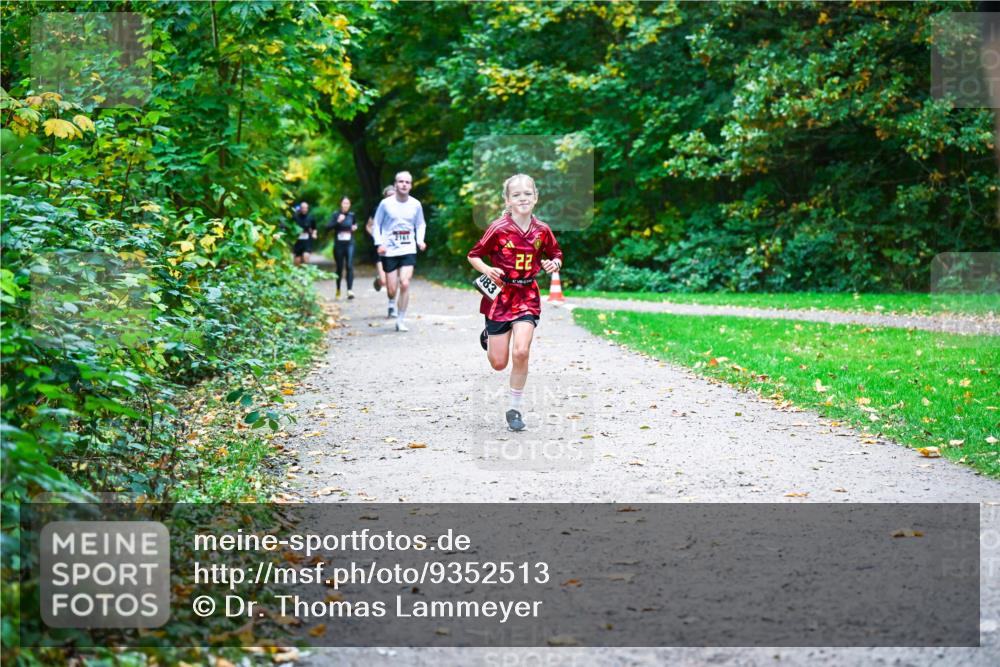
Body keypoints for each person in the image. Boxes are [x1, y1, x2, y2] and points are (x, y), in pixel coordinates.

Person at [466, 174, 563, 432]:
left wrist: (554, 263)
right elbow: (473, 255)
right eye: (517, 195)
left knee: (521, 351)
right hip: (500, 297)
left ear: (536, 197)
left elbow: (556, 253)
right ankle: (489, 334)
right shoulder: (498, 228)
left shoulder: (542, 230)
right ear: (508, 200)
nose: (523, 198)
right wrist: (487, 269)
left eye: (527, 194)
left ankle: (515, 409)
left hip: (527, 296)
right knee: (498, 363)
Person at [372, 172, 427, 331]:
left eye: (407, 182)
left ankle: (400, 319)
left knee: (405, 282)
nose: (404, 184)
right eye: (401, 182)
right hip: (389, 250)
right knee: (391, 289)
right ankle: (390, 300)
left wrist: (419, 240)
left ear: (410, 185)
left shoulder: (415, 204)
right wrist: (379, 243)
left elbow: (421, 224)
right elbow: (377, 224)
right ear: (395, 184)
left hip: (408, 248)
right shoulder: (385, 204)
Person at [366, 185, 395, 296]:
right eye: (389, 196)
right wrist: (376, 237)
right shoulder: (377, 209)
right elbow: (368, 226)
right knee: (384, 281)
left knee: (392, 280)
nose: (391, 198)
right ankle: (379, 280)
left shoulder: (402, 209)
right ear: (384, 197)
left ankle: (391, 305)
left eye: (393, 195)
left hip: (395, 246)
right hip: (381, 247)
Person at [327, 196, 357, 299]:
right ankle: (338, 289)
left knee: (349, 265)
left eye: (348, 203)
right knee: (339, 268)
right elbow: (328, 227)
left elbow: (354, 225)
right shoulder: (336, 215)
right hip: (339, 245)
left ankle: (350, 290)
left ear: (350, 205)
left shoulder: (352, 215)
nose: (346, 205)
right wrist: (338, 222)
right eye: (344, 203)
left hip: (350, 243)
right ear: (341, 204)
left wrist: (354, 227)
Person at [291, 201, 316, 266]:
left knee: (306, 256)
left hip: (307, 241)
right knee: (297, 262)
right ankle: (298, 275)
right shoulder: (295, 217)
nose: (304, 209)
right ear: (300, 208)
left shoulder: (311, 218)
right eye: (303, 208)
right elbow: (290, 227)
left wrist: (314, 234)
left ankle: (306, 273)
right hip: (298, 241)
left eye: (306, 208)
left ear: (307, 209)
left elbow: (314, 228)